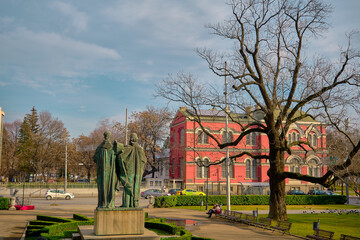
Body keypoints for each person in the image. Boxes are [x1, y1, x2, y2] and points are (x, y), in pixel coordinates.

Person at [117, 133, 147, 208]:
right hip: (137, 172)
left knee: (128, 186)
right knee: (136, 186)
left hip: (129, 171)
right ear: (136, 139)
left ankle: (126, 203)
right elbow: (144, 160)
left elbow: (120, 157)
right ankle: (135, 203)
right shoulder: (140, 149)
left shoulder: (126, 148)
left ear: (130, 139)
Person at [93, 131, 118, 208]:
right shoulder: (112, 147)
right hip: (110, 172)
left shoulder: (100, 147)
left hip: (102, 173)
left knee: (102, 188)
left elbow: (95, 158)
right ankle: (110, 204)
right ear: (109, 136)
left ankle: (102, 203)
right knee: (110, 187)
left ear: (104, 136)